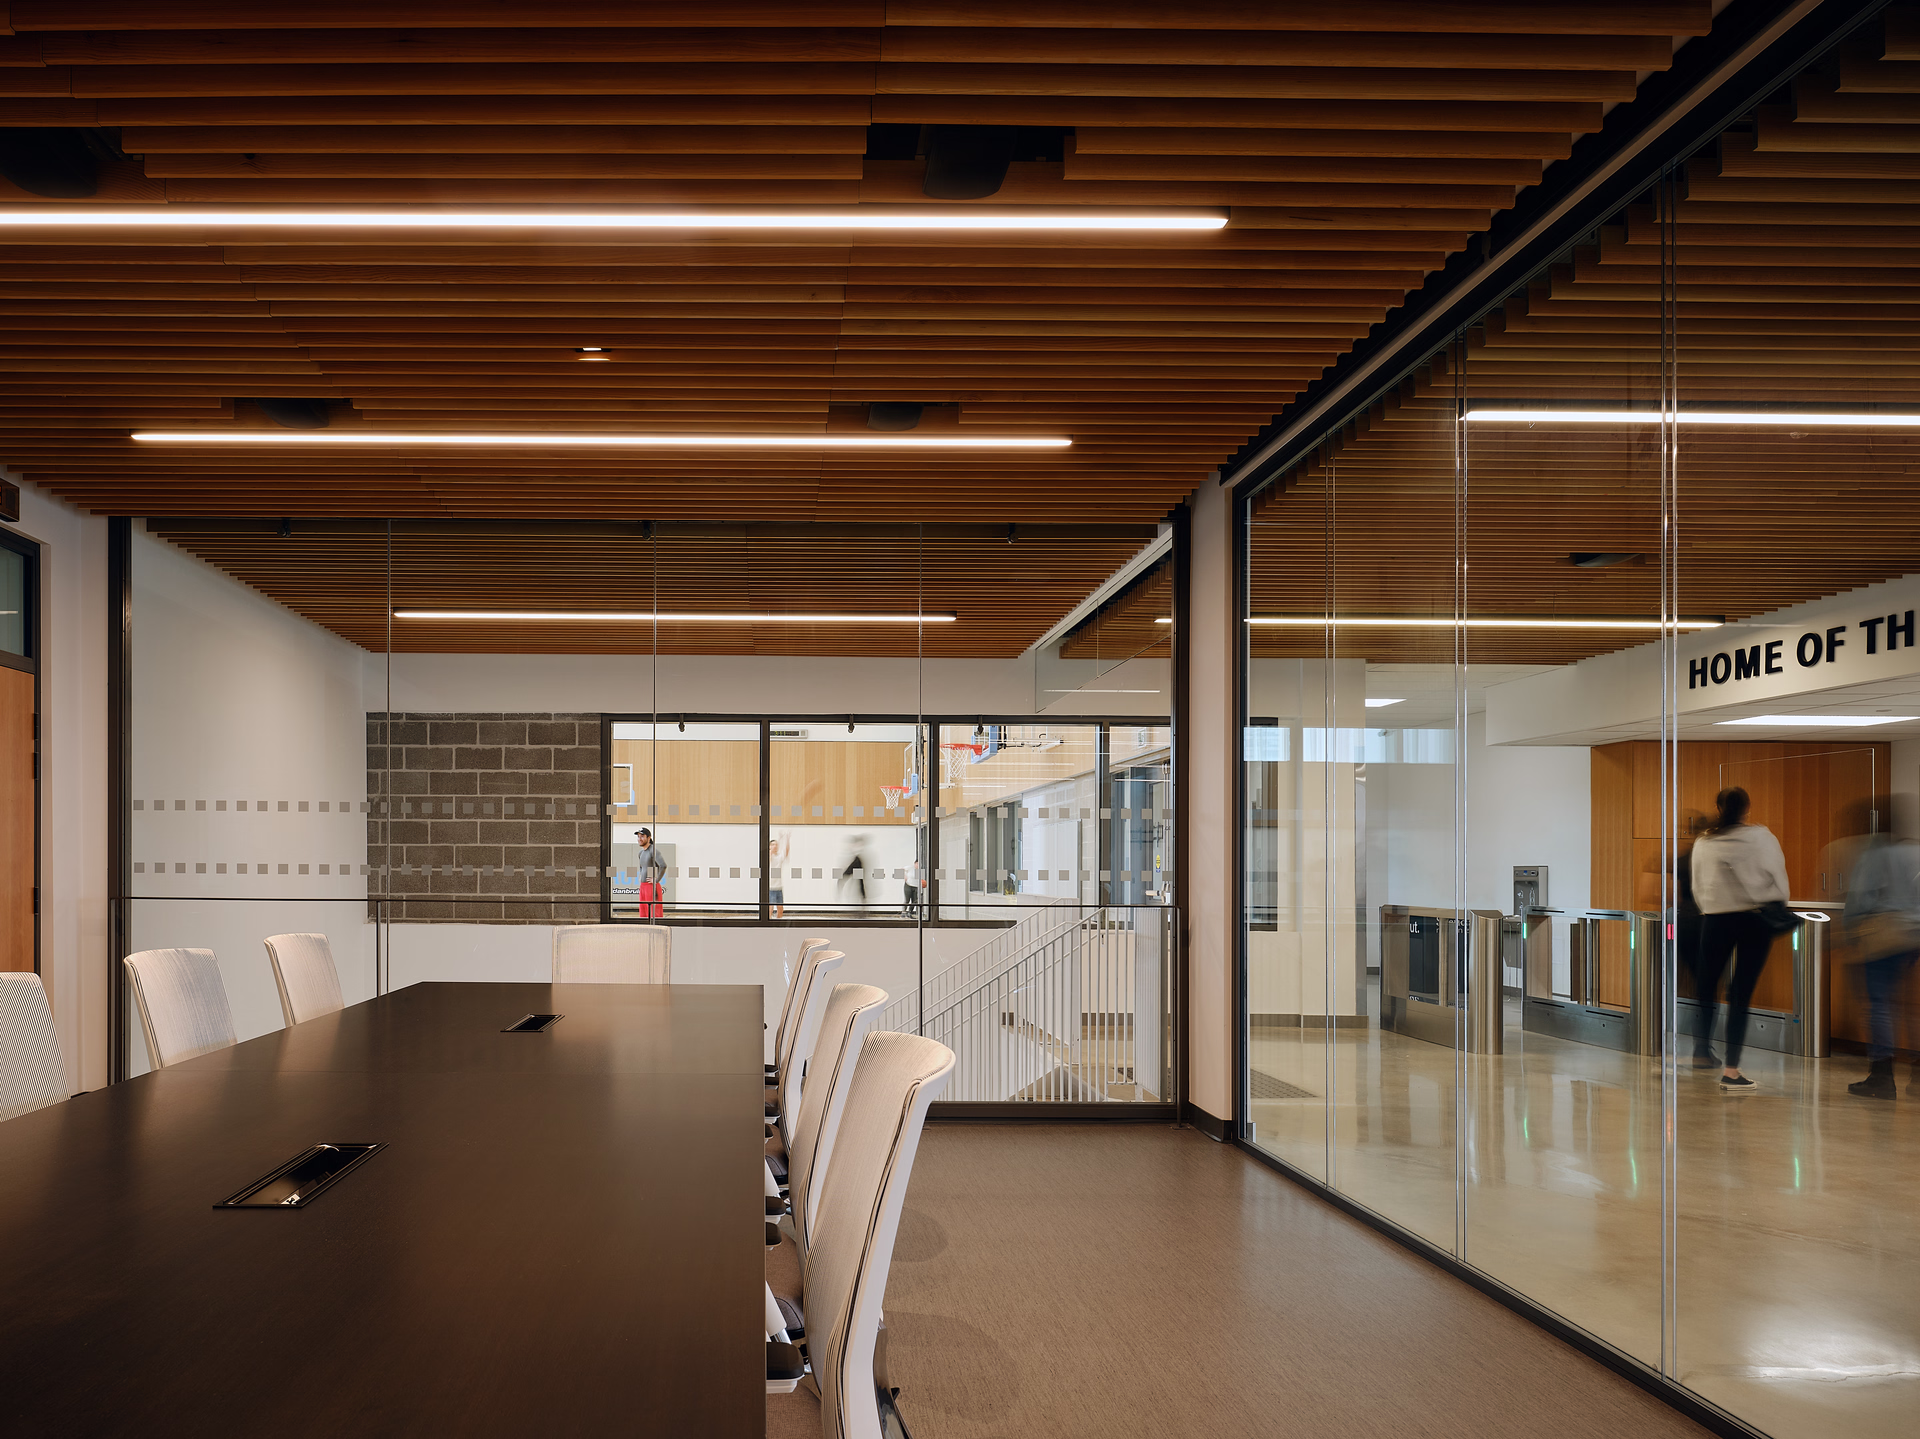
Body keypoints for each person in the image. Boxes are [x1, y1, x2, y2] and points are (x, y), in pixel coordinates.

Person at [1690, 786, 1791, 1093]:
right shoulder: (1762, 837)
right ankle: (1732, 1071)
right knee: (1740, 993)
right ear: (1748, 807)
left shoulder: (1705, 841)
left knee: (1706, 988)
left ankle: (1700, 1052)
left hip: (1716, 920)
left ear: (1718, 807)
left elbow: (1698, 885)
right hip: (1754, 921)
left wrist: (1712, 908)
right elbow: (1779, 879)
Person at [1843, 820, 1920, 1100]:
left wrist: (1849, 930)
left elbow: (1861, 899)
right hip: (1913, 934)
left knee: (1879, 1003)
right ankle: (1917, 1071)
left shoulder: (1874, 855)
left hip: (1884, 934)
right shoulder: (1915, 852)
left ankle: (1882, 1076)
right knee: (1909, 1006)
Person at [634, 826, 667, 920]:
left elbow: (663, 865)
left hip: (651, 887)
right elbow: (642, 867)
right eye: (638, 836)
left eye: (642, 836)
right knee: (643, 913)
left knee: (654, 914)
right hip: (643, 886)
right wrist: (641, 878)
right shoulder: (641, 853)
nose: (639, 839)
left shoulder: (653, 850)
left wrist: (656, 880)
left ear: (649, 838)